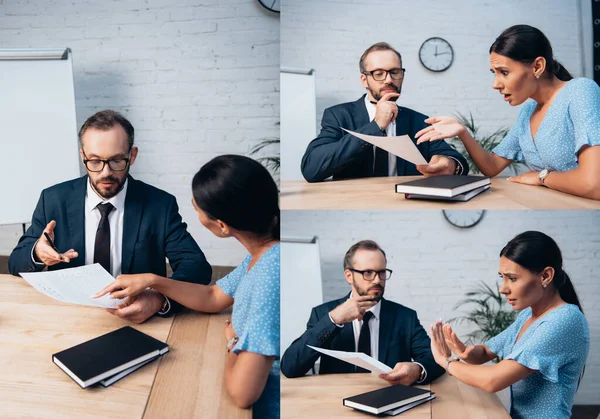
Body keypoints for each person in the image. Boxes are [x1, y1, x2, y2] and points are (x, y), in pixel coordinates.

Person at [95, 155, 280, 419]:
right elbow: (213, 297)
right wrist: (153, 280)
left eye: (197, 208)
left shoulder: (268, 278)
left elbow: (243, 394)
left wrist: (233, 341)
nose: (194, 208)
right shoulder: (263, 253)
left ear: (222, 226)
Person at [8, 110, 211, 323]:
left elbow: (196, 267)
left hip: (136, 320)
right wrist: (38, 253)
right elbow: (16, 263)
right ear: (83, 156)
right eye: (94, 161)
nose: (105, 173)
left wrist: (158, 298)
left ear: (132, 155)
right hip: (68, 316)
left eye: (116, 161)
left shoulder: (159, 205)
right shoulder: (53, 199)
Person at [413, 231, 588, 419]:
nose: (502, 289)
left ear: (546, 276)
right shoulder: (528, 314)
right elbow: (487, 352)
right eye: (502, 277)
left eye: (512, 278)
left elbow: (493, 381)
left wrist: (444, 361)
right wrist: (464, 352)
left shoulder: (565, 320)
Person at [415, 25, 600, 200]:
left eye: (504, 72)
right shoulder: (527, 112)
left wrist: (541, 177)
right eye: (494, 73)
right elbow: (492, 166)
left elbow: (594, 184)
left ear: (537, 67)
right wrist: (462, 131)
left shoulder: (580, 91)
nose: (495, 84)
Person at [281, 240, 445, 386]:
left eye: (381, 272)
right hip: (335, 402)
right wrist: (334, 319)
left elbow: (436, 359)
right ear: (349, 276)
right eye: (368, 273)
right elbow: (290, 367)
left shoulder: (405, 317)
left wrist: (417, 369)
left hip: (388, 398)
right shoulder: (323, 314)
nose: (377, 280)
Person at [300, 42, 469, 182]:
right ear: (364, 80)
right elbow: (311, 168)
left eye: (394, 72)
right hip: (355, 203)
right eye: (378, 73)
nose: (388, 80)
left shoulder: (419, 121)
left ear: (402, 76)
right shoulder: (338, 116)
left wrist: (450, 164)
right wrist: (376, 125)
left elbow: (455, 159)